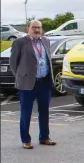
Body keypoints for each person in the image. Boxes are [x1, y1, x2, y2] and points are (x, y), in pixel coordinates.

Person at [10, 20, 58, 149]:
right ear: (28, 28)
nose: (37, 30)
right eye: (34, 27)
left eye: (39, 27)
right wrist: (21, 77)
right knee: (26, 113)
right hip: (27, 84)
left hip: (44, 82)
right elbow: (13, 63)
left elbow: (47, 60)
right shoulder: (20, 42)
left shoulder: (46, 41)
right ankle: (26, 140)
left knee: (44, 112)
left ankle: (44, 137)